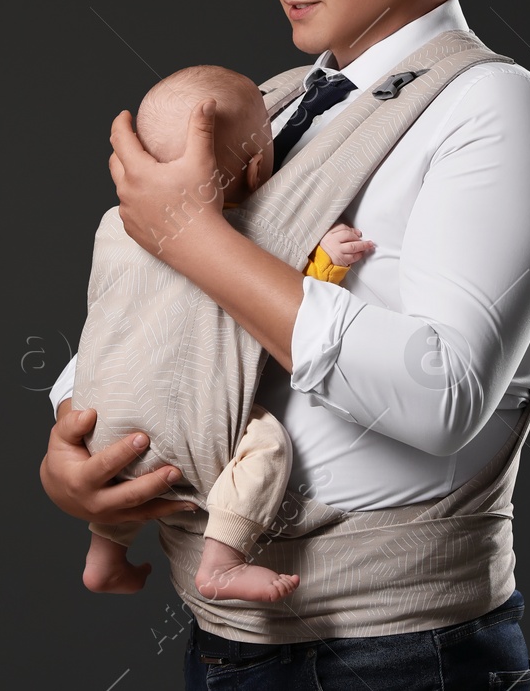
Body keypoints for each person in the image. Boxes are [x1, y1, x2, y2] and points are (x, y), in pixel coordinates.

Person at [40, 0, 530, 687]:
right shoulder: (271, 108)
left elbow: (443, 397)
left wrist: (192, 236)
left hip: (399, 657)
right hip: (231, 646)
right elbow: (166, 319)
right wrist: (75, 463)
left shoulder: (498, 113)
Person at [79, 63, 374, 603]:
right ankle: (223, 561)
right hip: (193, 431)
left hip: (96, 422)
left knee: (123, 477)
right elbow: (285, 300)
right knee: (266, 446)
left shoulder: (113, 226)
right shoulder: (256, 234)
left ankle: (104, 556)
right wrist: (328, 261)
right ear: (260, 168)